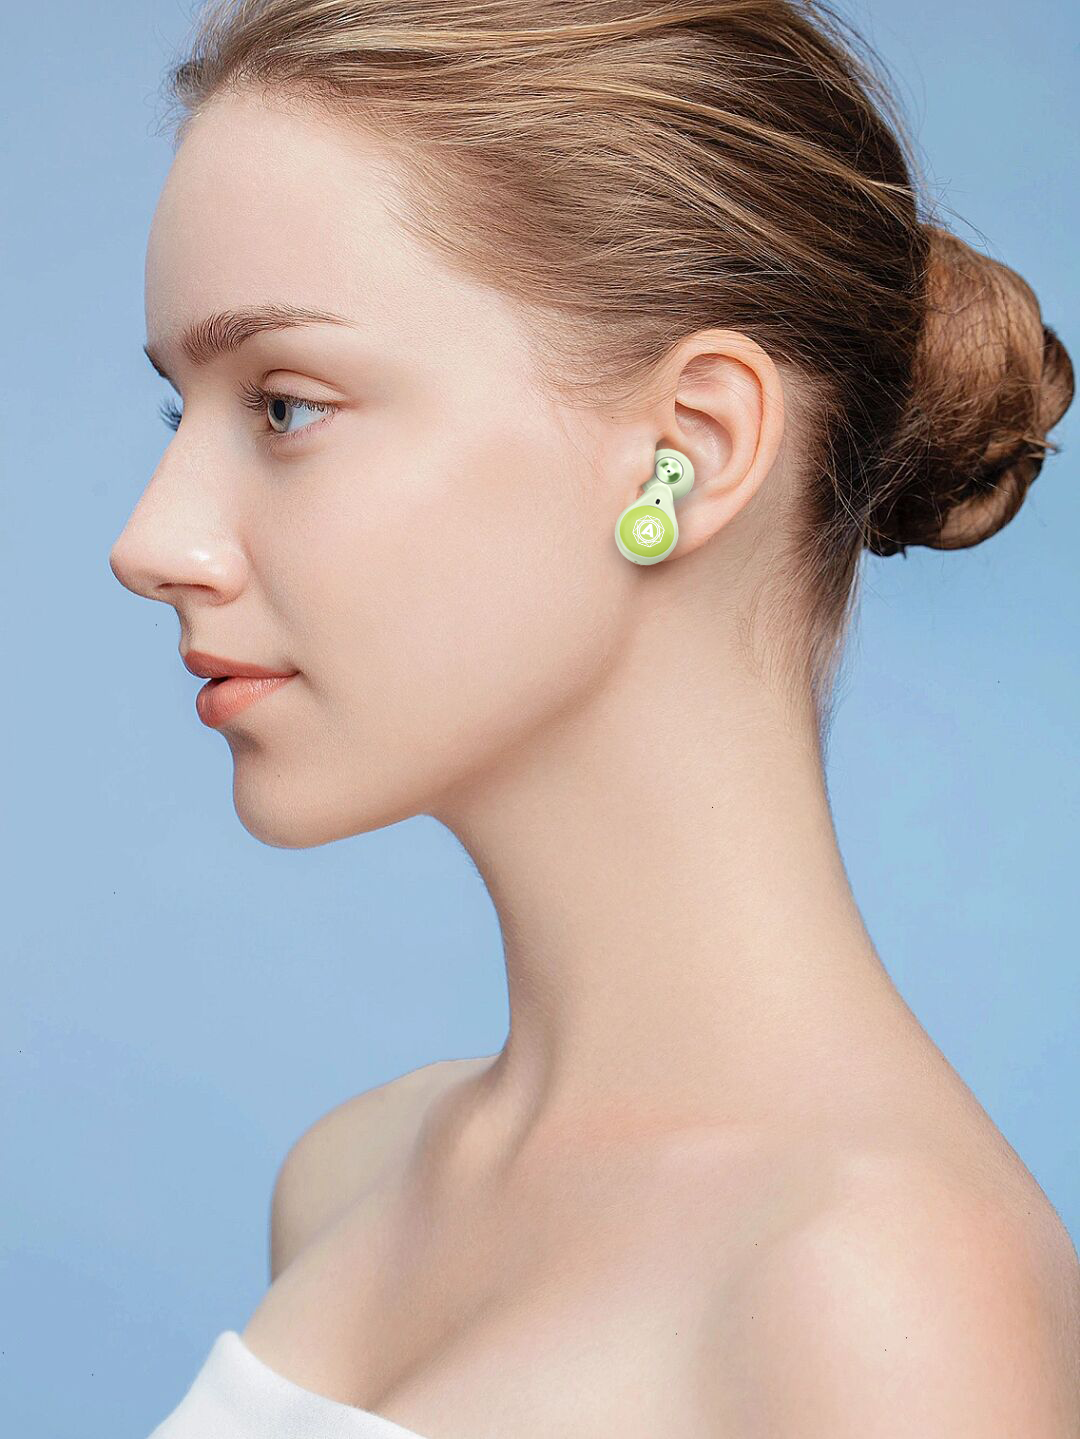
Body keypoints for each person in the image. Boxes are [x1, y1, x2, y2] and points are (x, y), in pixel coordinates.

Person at [110, 0, 1079, 1433]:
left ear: (689, 448)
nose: (151, 541)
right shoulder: (351, 1181)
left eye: (286, 406)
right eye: (178, 410)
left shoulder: (882, 1302)